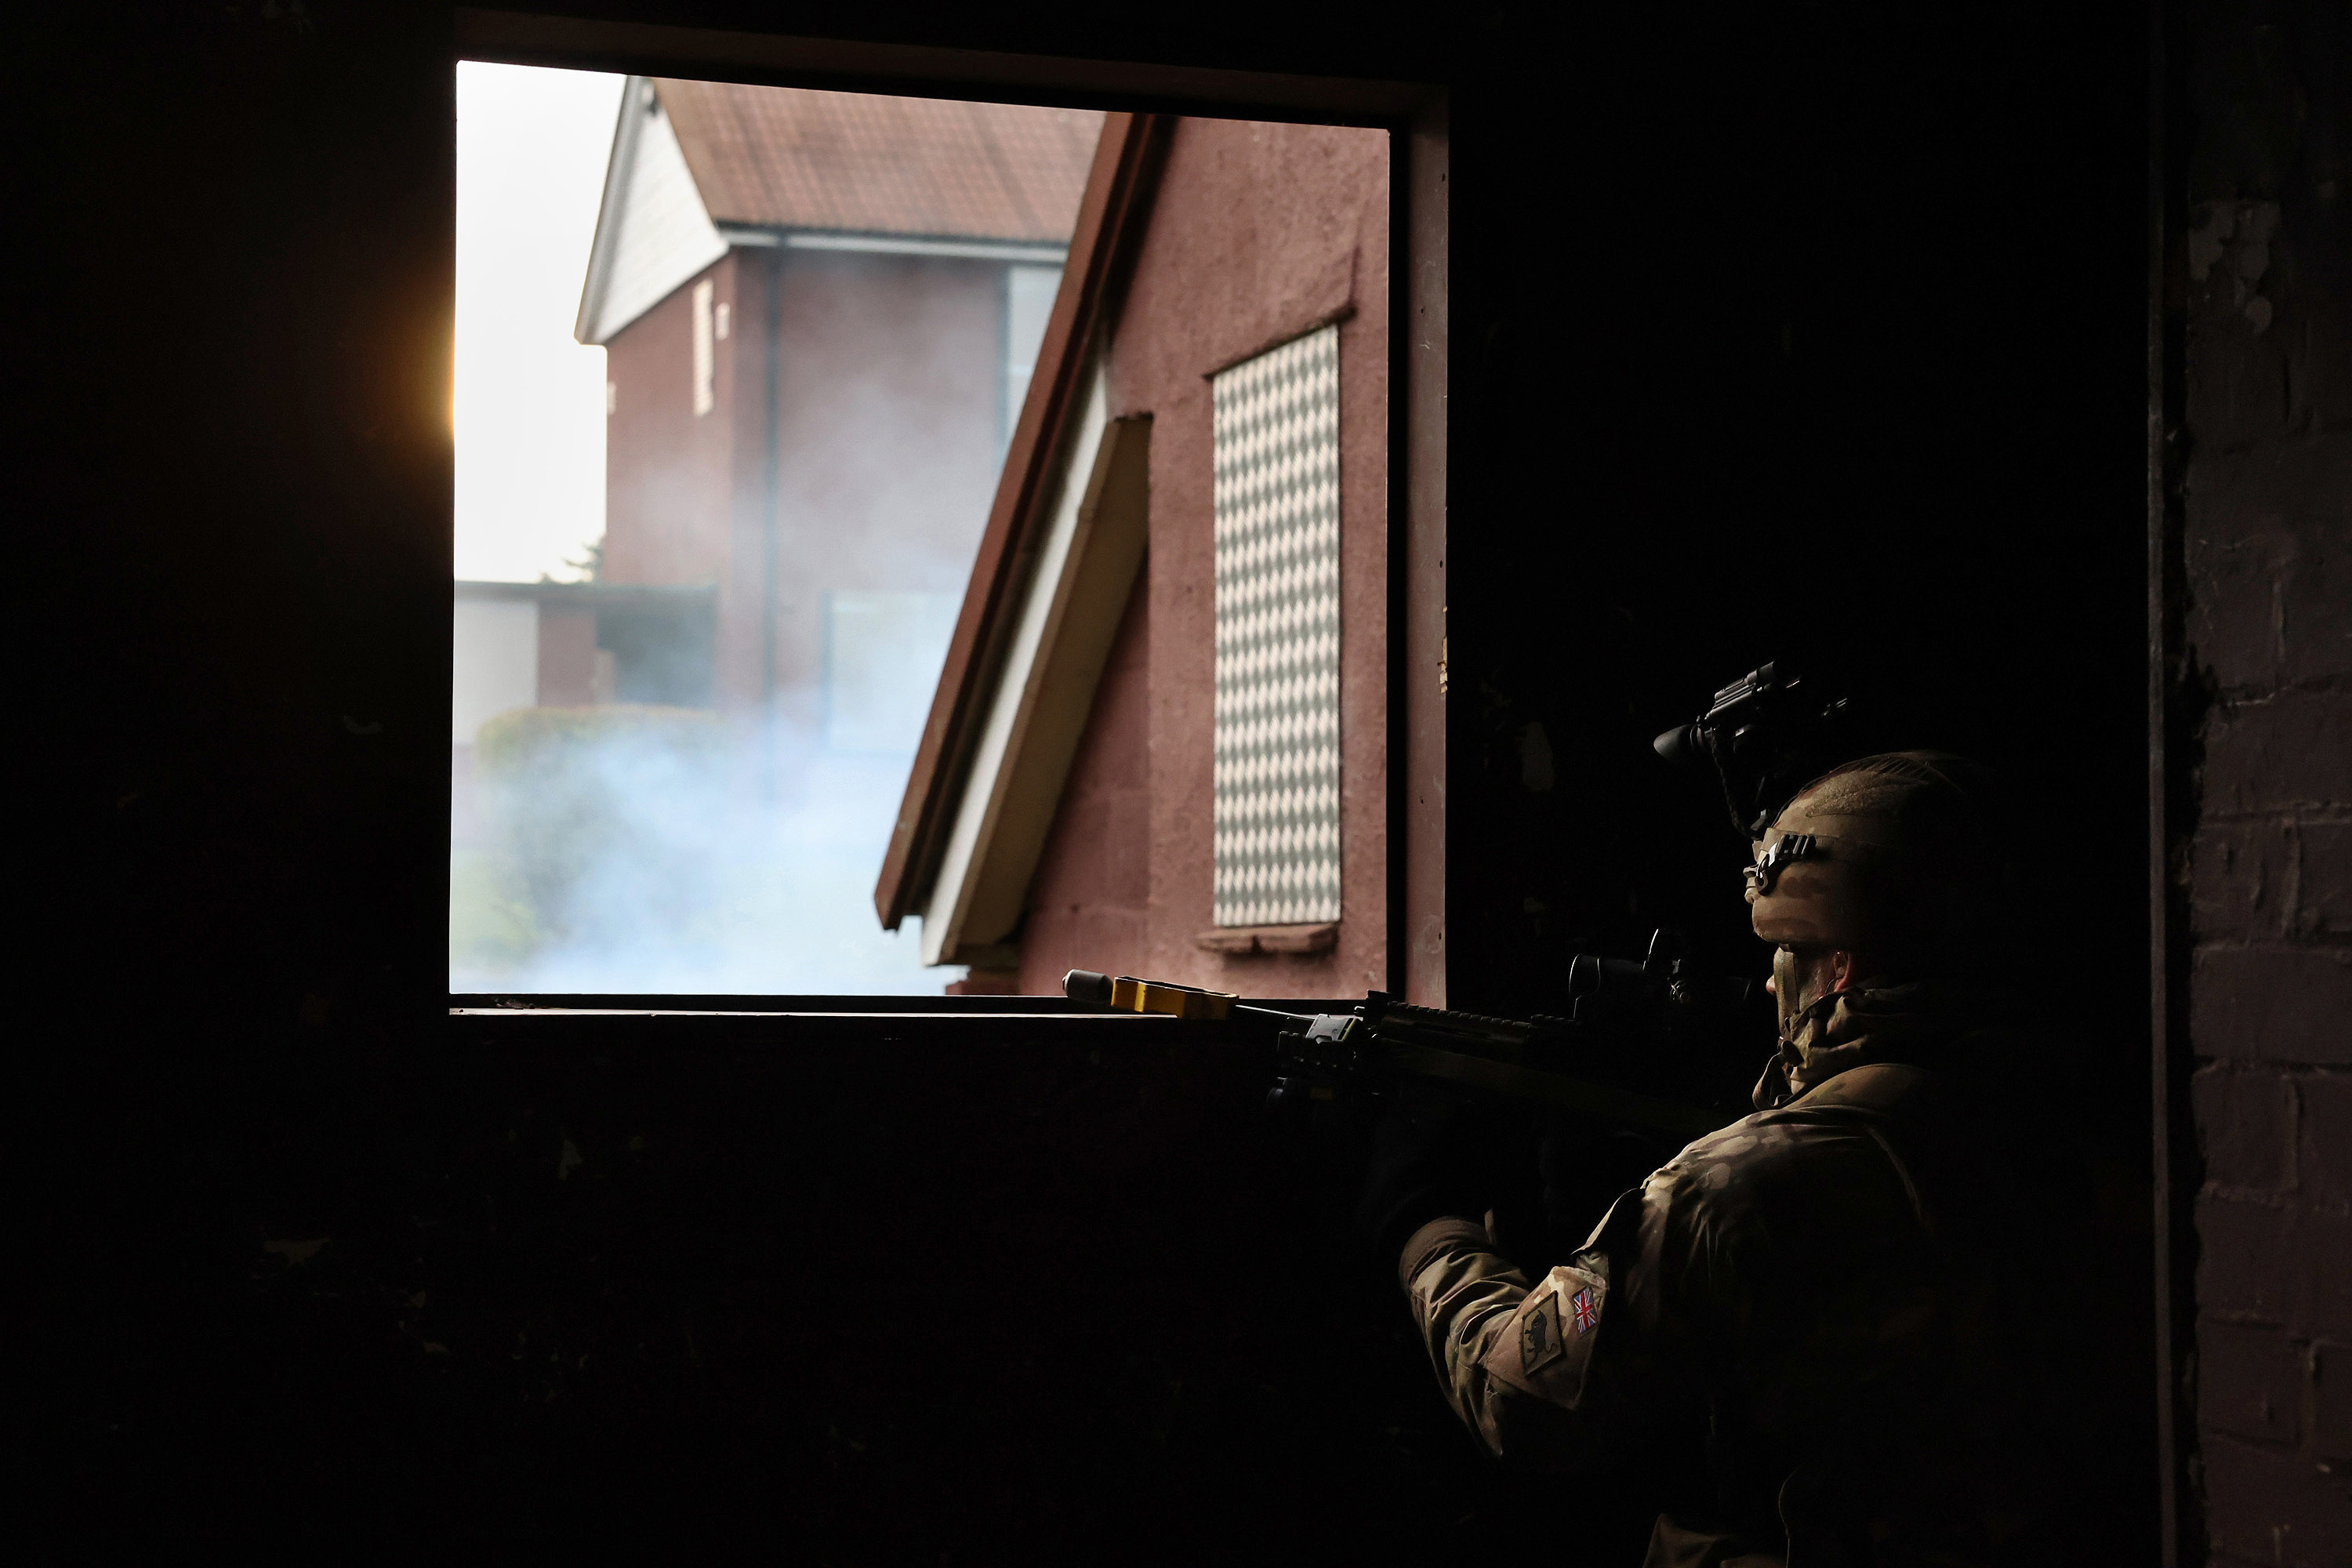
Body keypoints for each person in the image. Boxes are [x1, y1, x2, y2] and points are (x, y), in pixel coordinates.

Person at [1364, 751, 2088, 1566]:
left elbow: (1519, 1406)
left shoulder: (1723, 1192)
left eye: (1778, 959)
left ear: (1838, 966)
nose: (1769, 989)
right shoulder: (2071, 1115)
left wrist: (1428, 1229)